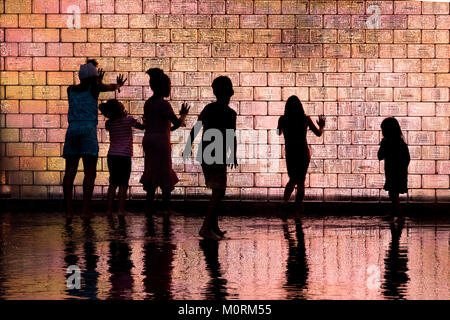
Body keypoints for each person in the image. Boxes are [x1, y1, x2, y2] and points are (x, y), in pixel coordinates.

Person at [63, 59, 127, 218]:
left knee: (70, 171)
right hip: (87, 131)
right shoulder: (94, 88)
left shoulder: (69, 89)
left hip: (72, 130)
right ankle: (85, 210)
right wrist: (117, 86)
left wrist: (96, 80)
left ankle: (69, 211)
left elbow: (93, 85)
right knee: (89, 172)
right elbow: (110, 87)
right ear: (92, 77)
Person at [185, 76, 238, 240]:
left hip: (205, 153)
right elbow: (231, 136)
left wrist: (188, 147)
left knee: (216, 190)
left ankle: (213, 226)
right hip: (218, 154)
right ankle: (206, 227)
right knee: (219, 191)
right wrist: (233, 155)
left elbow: (196, 128)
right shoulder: (230, 113)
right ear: (230, 93)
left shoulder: (208, 108)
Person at [140, 68, 189, 214]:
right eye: (168, 86)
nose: (169, 88)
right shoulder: (164, 104)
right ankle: (166, 208)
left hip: (149, 140)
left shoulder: (148, 103)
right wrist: (183, 116)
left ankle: (149, 207)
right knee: (164, 171)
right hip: (161, 142)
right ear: (162, 87)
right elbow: (176, 123)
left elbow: (156, 125)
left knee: (151, 170)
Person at [277, 95, 325, 220]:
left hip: (291, 152)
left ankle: (284, 203)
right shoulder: (305, 119)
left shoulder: (283, 119)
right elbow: (319, 134)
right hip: (303, 152)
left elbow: (278, 133)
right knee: (301, 181)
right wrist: (322, 126)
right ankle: (298, 209)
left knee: (292, 179)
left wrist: (280, 124)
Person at [99, 99, 144, 215]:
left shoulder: (109, 123)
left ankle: (109, 210)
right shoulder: (129, 120)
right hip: (124, 156)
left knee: (113, 182)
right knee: (123, 183)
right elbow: (142, 127)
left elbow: (112, 124)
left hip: (112, 156)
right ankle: (120, 210)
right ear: (120, 109)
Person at [378, 117, 410, 220]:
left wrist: (382, 145)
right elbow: (407, 158)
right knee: (394, 193)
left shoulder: (387, 142)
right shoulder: (401, 143)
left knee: (393, 194)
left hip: (392, 173)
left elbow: (380, 156)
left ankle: (400, 215)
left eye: (383, 129)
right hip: (400, 172)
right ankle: (392, 213)